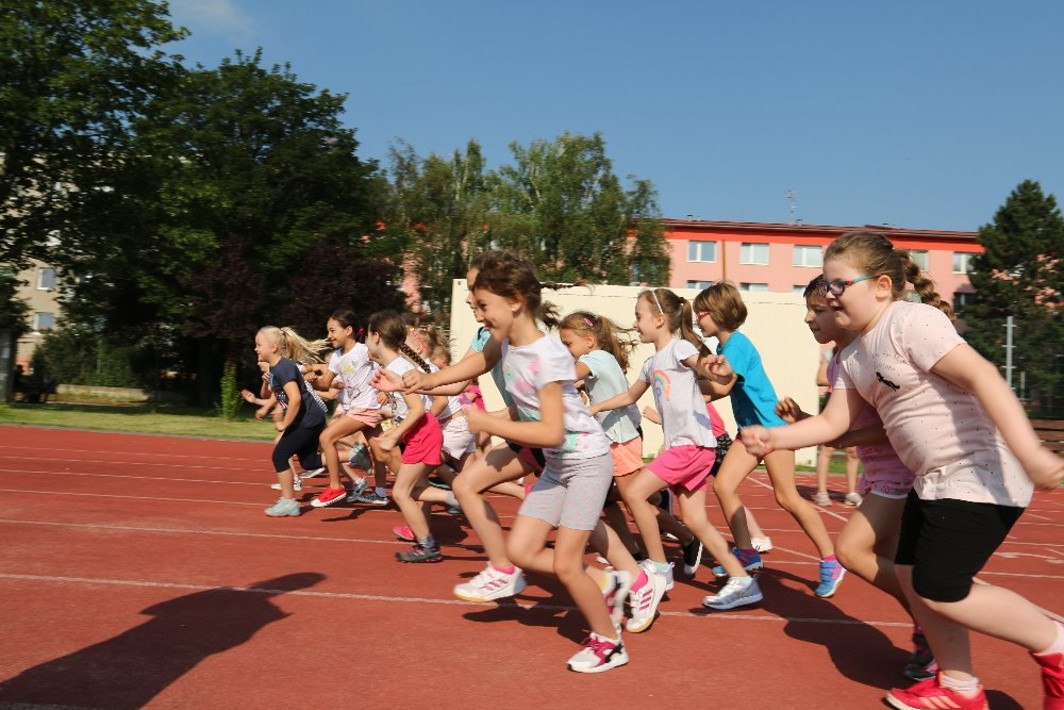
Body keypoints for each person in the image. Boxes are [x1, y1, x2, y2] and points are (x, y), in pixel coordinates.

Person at [740, 231, 1064, 710]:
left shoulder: (911, 322)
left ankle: (1055, 643)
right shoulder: (850, 356)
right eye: (825, 286)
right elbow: (833, 424)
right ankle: (959, 687)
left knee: (941, 588)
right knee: (913, 579)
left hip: (979, 473)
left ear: (882, 287)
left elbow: (982, 375)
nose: (828, 295)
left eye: (838, 285)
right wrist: (775, 437)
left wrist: (1031, 452)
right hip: (931, 480)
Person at [459, 250, 642, 672]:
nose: (478, 312)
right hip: (559, 466)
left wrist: (487, 422)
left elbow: (551, 433)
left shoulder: (549, 355)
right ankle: (606, 582)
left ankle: (609, 642)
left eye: (483, 304)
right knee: (520, 550)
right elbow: (478, 362)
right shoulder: (509, 342)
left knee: (565, 563)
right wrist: (424, 380)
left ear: (514, 300)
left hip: (587, 462)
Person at [776, 274, 937, 681]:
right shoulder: (839, 362)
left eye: (817, 310)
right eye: (807, 311)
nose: (808, 319)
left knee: (849, 551)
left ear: (842, 310)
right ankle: (930, 630)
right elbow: (838, 424)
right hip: (878, 475)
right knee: (897, 566)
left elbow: (889, 424)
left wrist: (841, 438)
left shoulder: (869, 358)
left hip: (899, 474)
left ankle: (936, 614)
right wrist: (803, 421)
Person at [590, 288, 763, 611]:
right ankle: (742, 580)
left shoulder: (679, 348)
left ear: (659, 319)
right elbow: (629, 397)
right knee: (695, 521)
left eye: (639, 316)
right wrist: (595, 407)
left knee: (635, 493)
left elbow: (701, 365)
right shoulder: (651, 363)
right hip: (690, 447)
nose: (635, 323)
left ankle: (658, 566)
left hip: (691, 445)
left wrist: (716, 368)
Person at [694, 281, 844, 598]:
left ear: (716, 313)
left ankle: (831, 560)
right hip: (750, 431)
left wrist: (689, 377)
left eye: (701, 313)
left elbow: (721, 387)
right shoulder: (723, 349)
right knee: (723, 486)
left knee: (787, 498)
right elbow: (717, 387)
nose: (697, 319)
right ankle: (747, 553)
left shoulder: (736, 346)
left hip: (773, 430)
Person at [364, 311, 451, 563]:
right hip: (420, 433)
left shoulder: (399, 368)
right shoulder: (396, 366)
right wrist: (392, 424)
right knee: (417, 489)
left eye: (367, 335)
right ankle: (458, 498)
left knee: (401, 493)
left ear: (376, 337)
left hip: (423, 433)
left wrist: (394, 436)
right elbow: (411, 409)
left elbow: (418, 409)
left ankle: (428, 545)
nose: (366, 340)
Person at [308, 310, 381, 508]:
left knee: (326, 437)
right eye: (328, 331)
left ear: (348, 330)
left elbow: (387, 363)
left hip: (367, 407)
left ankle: (335, 487)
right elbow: (325, 384)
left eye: (332, 331)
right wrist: (311, 380)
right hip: (356, 409)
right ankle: (417, 488)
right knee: (384, 454)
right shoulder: (336, 357)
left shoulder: (364, 351)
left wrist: (385, 389)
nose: (329, 336)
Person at [254, 326, 328, 517]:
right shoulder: (276, 368)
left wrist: (284, 424)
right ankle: (354, 455)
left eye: (259, 345)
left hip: (307, 419)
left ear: (273, 347)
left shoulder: (283, 367)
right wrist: (265, 405)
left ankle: (289, 502)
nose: (256, 349)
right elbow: (274, 394)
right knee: (309, 462)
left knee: (279, 456)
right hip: (310, 418)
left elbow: (295, 399)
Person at [812, 350, 862, 507]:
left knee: (853, 451)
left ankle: (851, 493)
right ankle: (821, 492)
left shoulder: (857, 352)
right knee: (827, 449)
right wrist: (845, 380)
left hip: (853, 405)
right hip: (834, 404)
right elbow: (820, 379)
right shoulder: (830, 354)